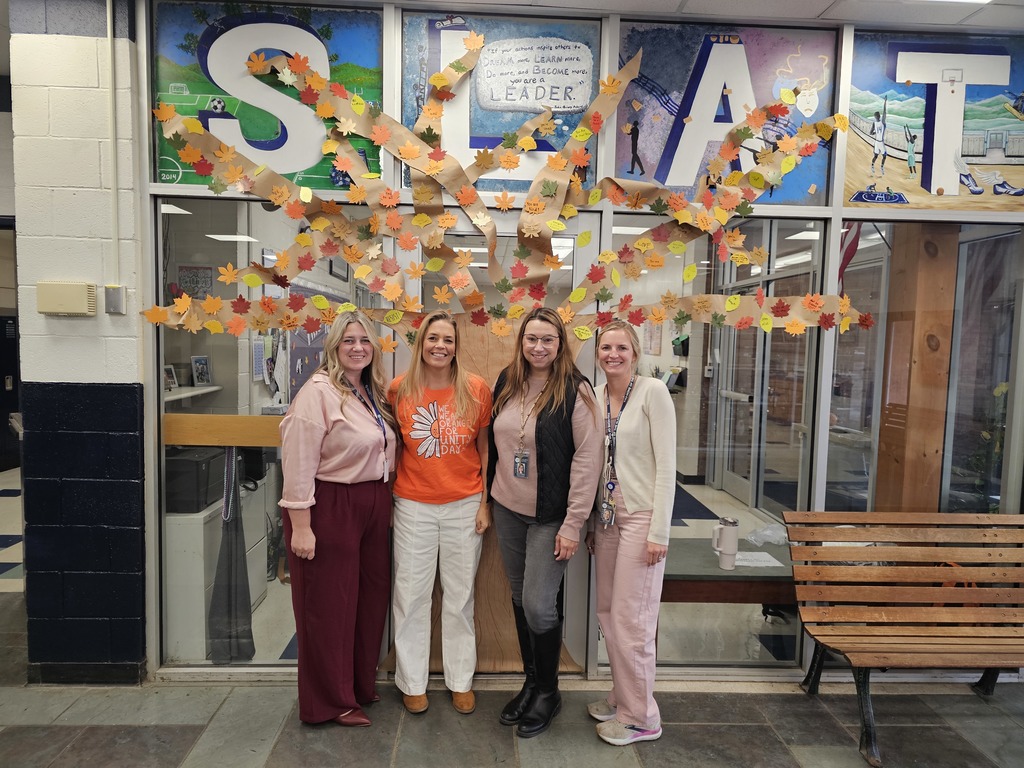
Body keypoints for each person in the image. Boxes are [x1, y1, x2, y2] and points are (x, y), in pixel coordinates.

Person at [278, 310, 397, 728]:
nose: (358, 347)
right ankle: (328, 701)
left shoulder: (369, 390)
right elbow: (297, 463)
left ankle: (358, 687)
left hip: (372, 501)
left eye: (365, 340)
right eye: (349, 341)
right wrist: (303, 526)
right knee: (329, 606)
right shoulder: (318, 392)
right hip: (330, 506)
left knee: (368, 599)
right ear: (333, 346)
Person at [488, 306, 601, 738]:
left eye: (548, 340)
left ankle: (549, 693)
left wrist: (574, 523)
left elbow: (588, 460)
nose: (539, 347)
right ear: (521, 342)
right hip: (507, 507)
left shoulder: (576, 390)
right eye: (531, 339)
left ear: (560, 344)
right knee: (519, 597)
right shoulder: (507, 381)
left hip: (551, 517)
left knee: (538, 603)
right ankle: (532, 683)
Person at [388, 310, 493, 716]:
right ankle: (413, 681)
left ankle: (460, 680)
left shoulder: (476, 389)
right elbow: (393, 445)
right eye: (433, 338)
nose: (440, 346)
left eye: (447, 340)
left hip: (464, 504)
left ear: (456, 346)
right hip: (413, 503)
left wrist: (484, 501)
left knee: (460, 596)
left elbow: (484, 447)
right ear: (421, 343)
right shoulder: (400, 389)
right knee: (411, 596)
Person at [586, 320, 675, 746]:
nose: (613, 355)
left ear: (635, 353)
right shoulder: (597, 395)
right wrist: (590, 521)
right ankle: (624, 695)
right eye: (606, 347)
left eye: (622, 347)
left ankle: (641, 716)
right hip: (606, 517)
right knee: (608, 612)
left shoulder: (653, 393)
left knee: (632, 620)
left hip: (641, 517)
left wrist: (660, 531)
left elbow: (667, 467)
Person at [869, 98, 888, 177]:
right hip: (880, 142)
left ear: (875, 117)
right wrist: (885, 102)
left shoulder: (875, 123)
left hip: (877, 142)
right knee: (884, 156)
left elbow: (870, 132)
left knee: (876, 156)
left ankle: (873, 166)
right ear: (879, 116)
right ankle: (881, 167)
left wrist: (875, 132)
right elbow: (884, 112)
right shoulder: (882, 122)